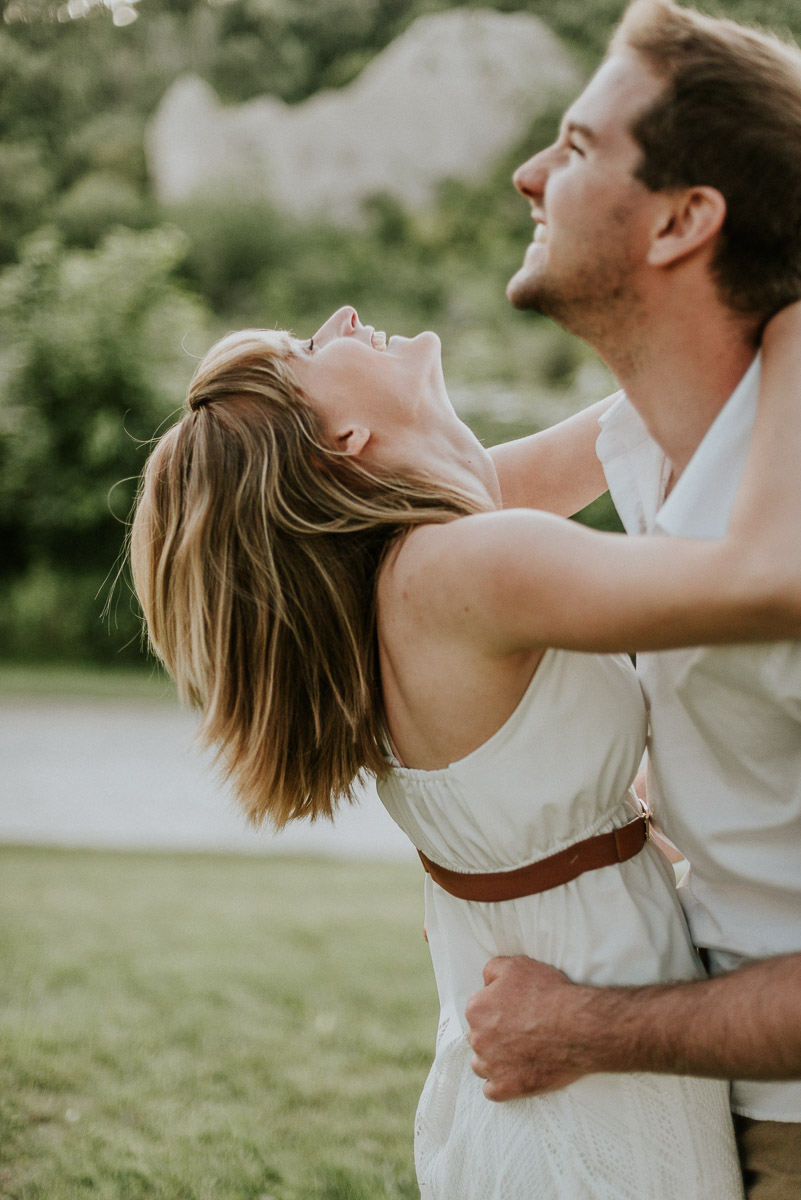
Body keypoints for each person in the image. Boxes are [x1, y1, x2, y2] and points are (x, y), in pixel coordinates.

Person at [130, 294, 801, 1197]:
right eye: (306, 349)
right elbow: (755, 584)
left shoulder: (407, 560)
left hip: (558, 1018)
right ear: (340, 439)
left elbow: (634, 414)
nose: (341, 316)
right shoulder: (458, 571)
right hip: (588, 1045)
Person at [463, 1, 801, 1195]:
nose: (528, 174)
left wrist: (583, 1026)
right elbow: (447, 501)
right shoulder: (662, 432)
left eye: (576, 145)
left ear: (680, 220)